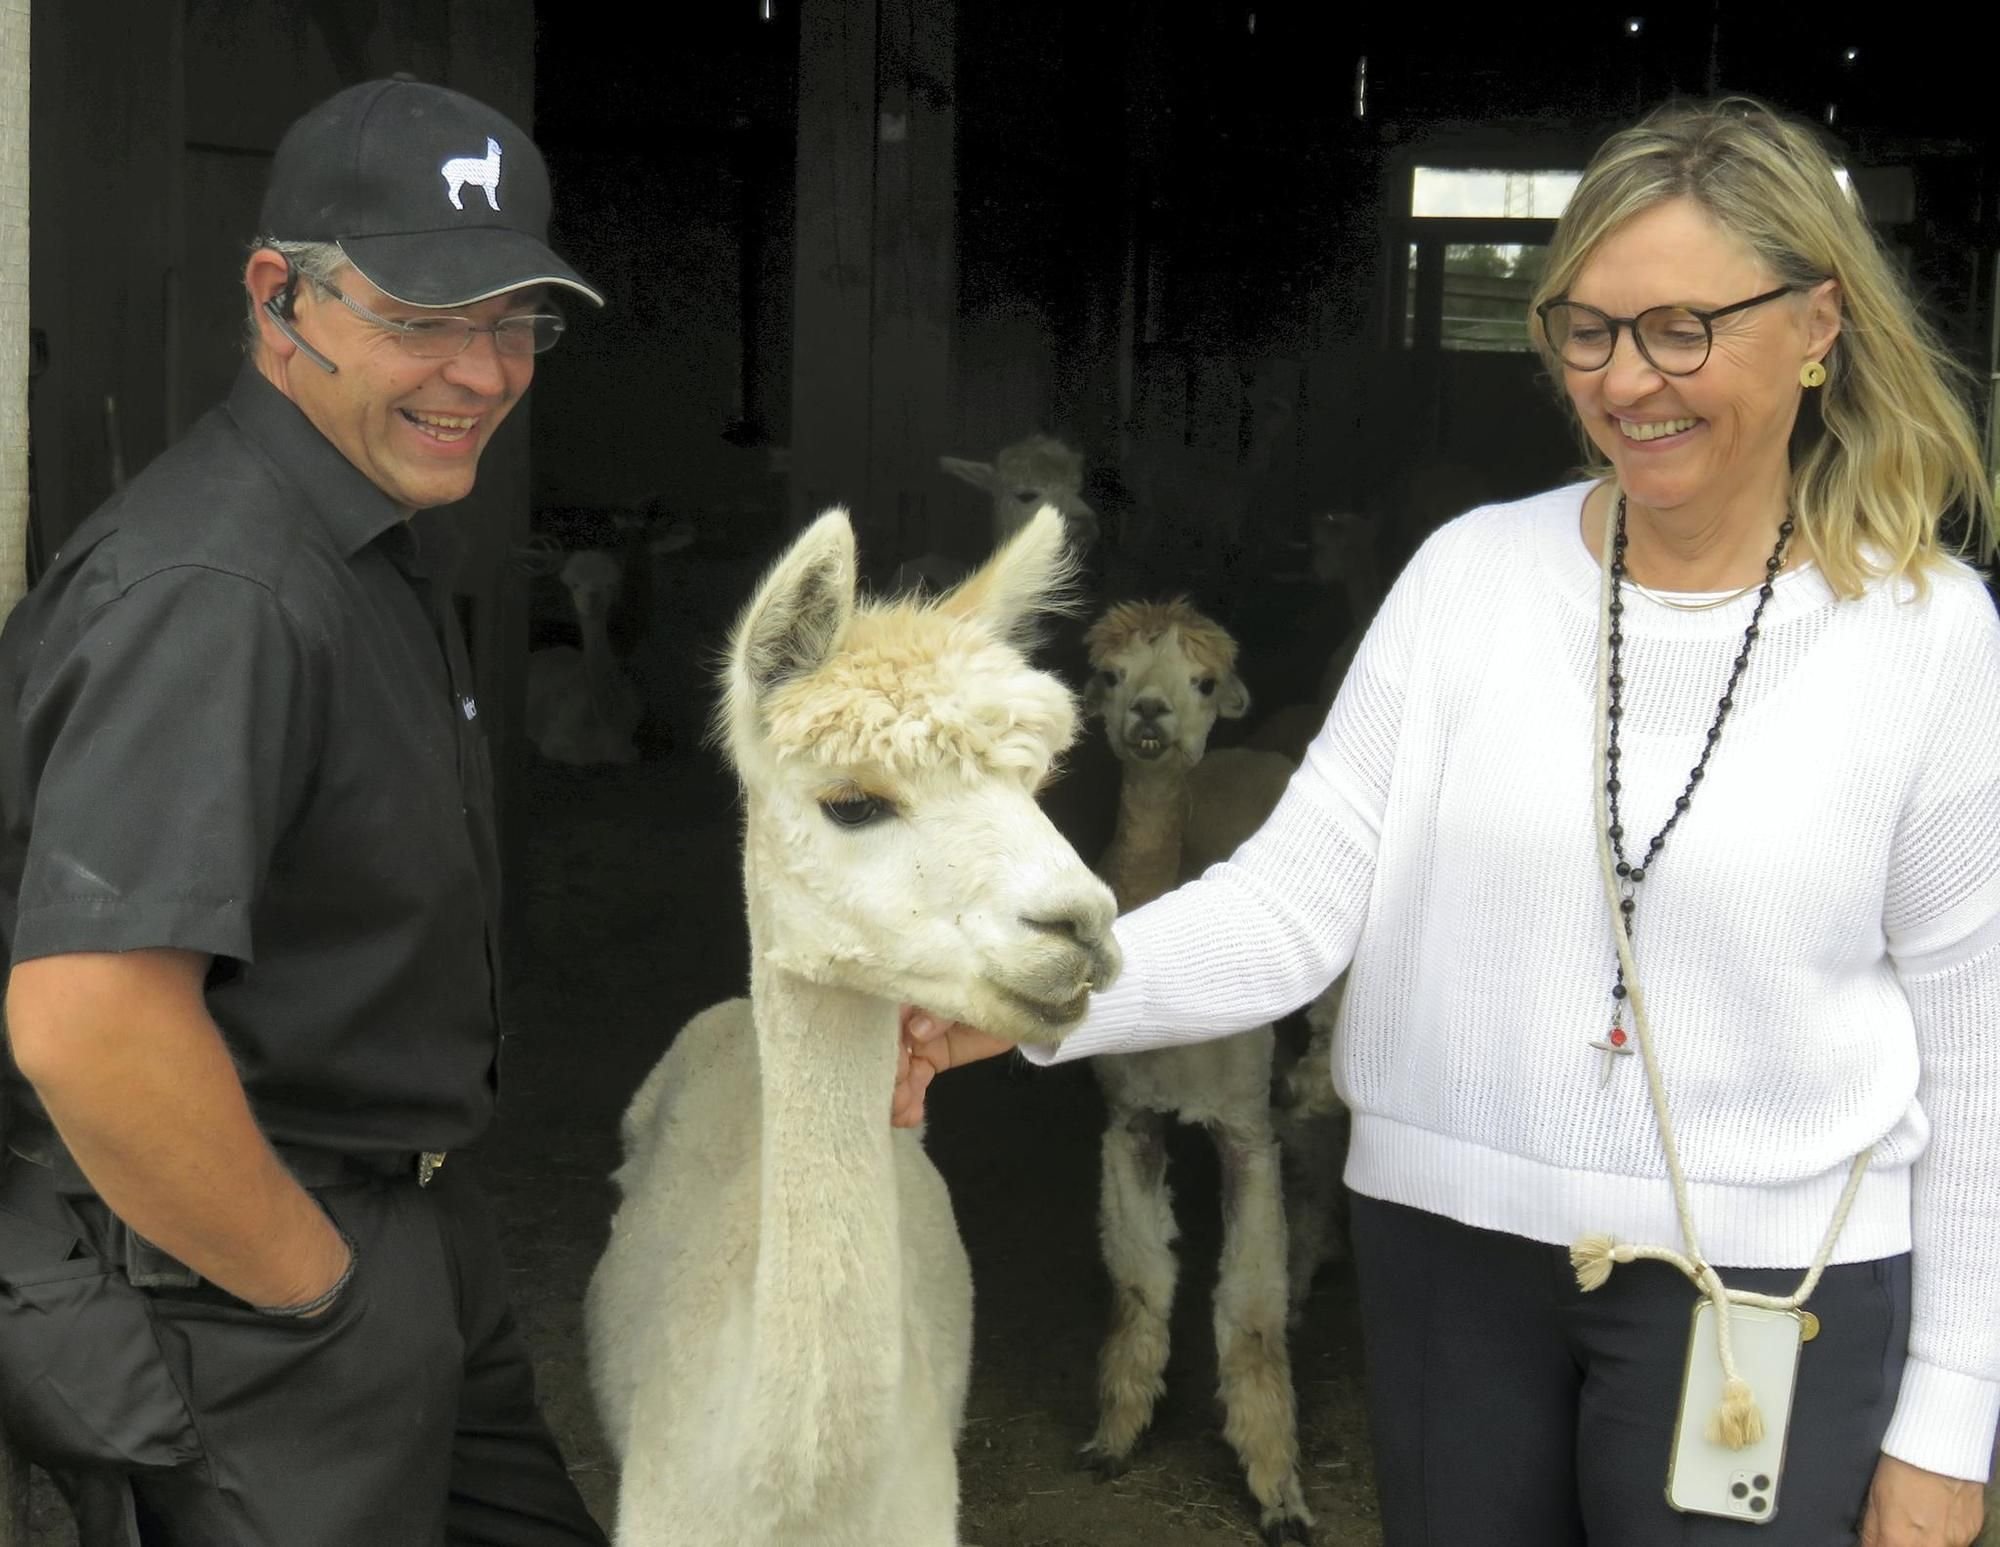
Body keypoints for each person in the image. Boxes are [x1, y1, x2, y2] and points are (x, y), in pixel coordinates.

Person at [895, 96, 2000, 1547]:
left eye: (1682, 328)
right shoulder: (1470, 579)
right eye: (1586, 330)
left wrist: (1951, 1417)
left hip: (1768, 1292)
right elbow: (1296, 898)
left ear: (1815, 325)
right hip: (1450, 1265)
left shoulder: (1924, 636)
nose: (1626, 381)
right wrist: (1037, 997)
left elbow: (1973, 1044)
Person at [0, 79, 610, 1546]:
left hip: (402, 1238)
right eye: (421, 318)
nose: (482, 370)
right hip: (243, 1281)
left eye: (515, 319)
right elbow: (91, 1022)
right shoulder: (224, 592)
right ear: (280, 299)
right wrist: (310, 1289)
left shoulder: (352, 537)